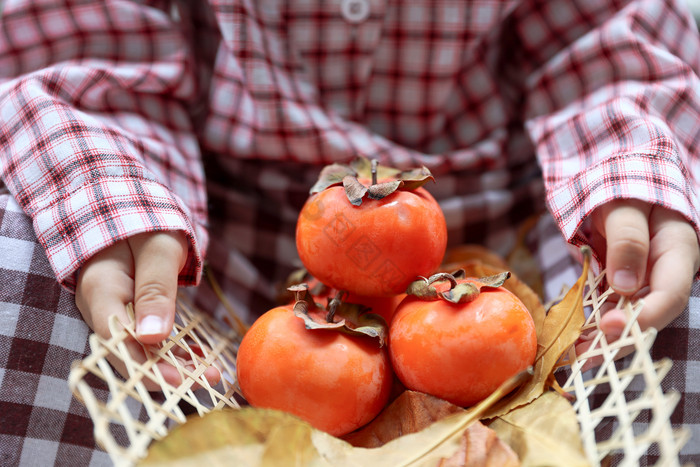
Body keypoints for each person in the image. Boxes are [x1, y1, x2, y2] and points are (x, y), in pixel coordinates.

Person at [1, 0, 699, 465]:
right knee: (24, 275)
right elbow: (85, 39)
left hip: (521, 207)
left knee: (672, 305)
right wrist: (114, 192)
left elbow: (604, 33)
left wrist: (628, 160)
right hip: (204, 222)